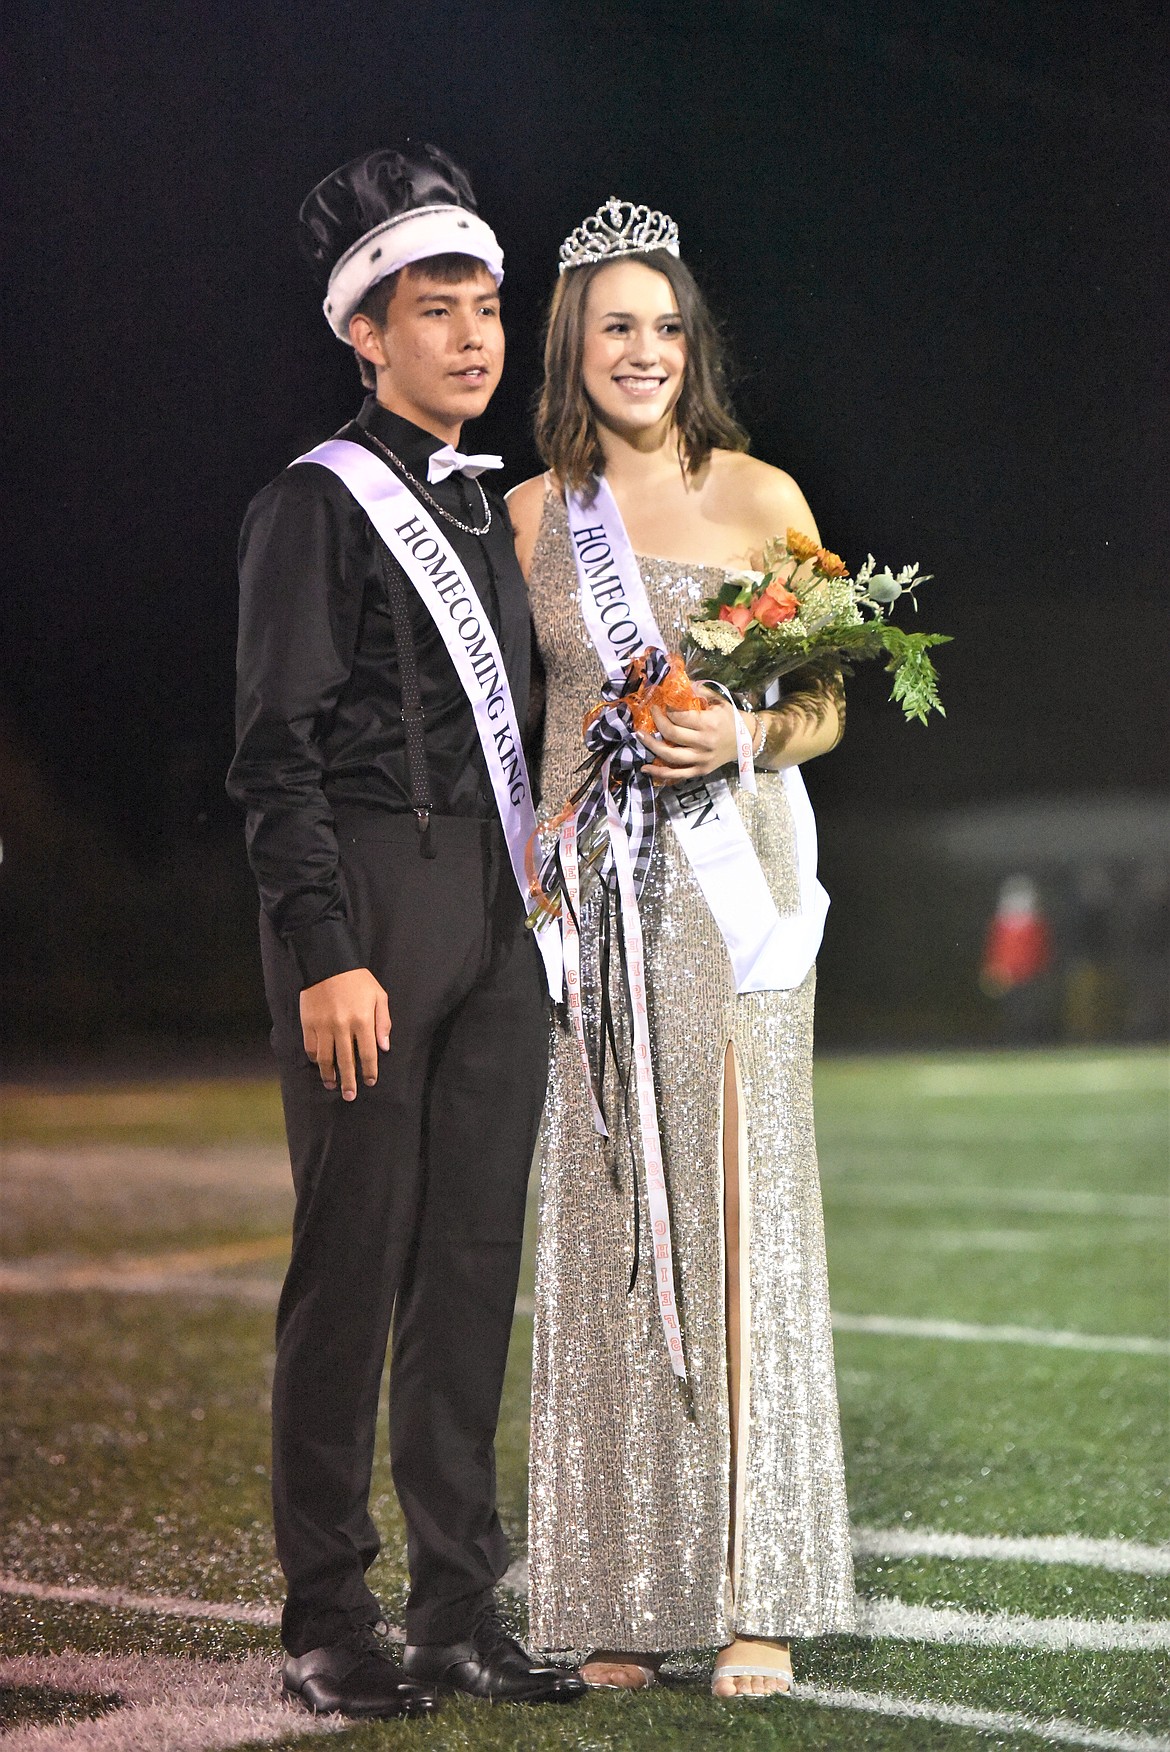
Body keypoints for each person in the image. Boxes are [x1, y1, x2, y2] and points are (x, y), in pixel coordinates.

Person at [227, 143, 582, 1719]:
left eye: (488, 309)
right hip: (368, 903)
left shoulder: (484, 509)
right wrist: (323, 947)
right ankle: (326, 1616)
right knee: (349, 1268)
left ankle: (458, 1609)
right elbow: (275, 752)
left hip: (495, 915)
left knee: (467, 1270)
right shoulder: (313, 503)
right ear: (362, 333)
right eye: (435, 312)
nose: (473, 338)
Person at [508, 200, 856, 1697]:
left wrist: (746, 727)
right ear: (571, 348)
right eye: (612, 327)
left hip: (733, 886)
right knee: (601, 1223)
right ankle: (610, 1586)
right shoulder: (525, 518)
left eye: (662, 326)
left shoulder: (764, 493)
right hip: (590, 900)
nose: (640, 352)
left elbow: (829, 708)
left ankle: (751, 1591)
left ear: (689, 342)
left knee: (730, 1209)